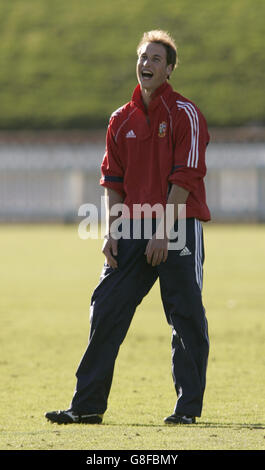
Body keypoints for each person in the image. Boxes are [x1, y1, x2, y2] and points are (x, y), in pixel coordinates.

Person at [45, 30, 210, 425]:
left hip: (177, 225)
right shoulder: (120, 119)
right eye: (142, 57)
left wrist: (162, 231)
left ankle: (186, 411)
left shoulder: (185, 113)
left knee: (184, 316)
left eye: (156, 59)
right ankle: (86, 407)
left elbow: (185, 179)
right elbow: (112, 181)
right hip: (133, 228)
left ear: (169, 69)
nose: (146, 64)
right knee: (106, 308)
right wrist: (112, 231)